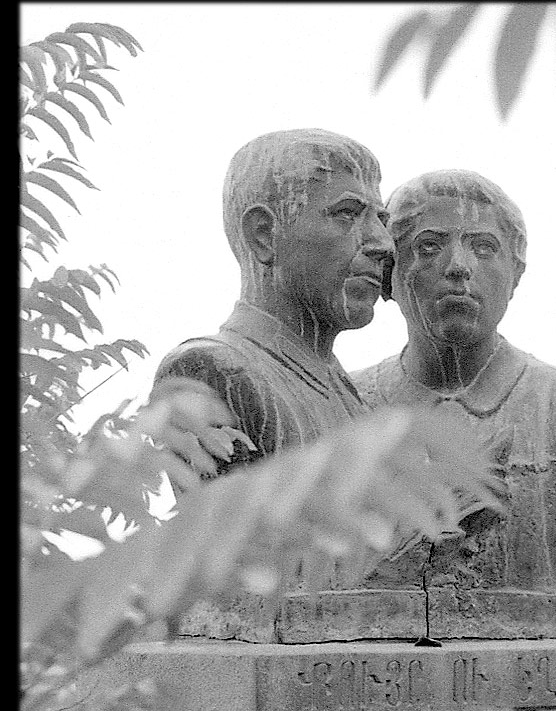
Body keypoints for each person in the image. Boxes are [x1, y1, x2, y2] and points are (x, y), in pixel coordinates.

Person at [351, 169, 556, 594]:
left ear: (515, 276)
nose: (459, 267)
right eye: (429, 246)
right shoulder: (349, 399)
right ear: (389, 276)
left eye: (484, 247)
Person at [152, 128, 394, 479]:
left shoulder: (355, 400)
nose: (384, 244)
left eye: (381, 221)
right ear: (264, 234)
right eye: (347, 214)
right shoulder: (208, 371)